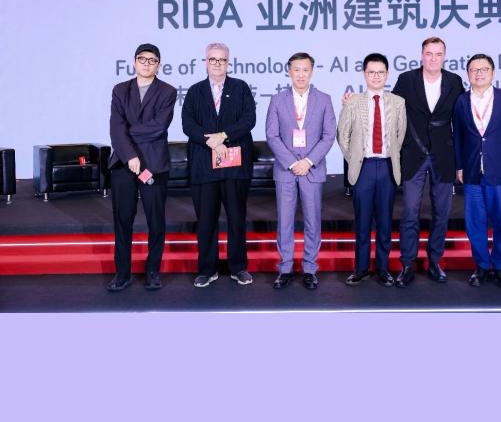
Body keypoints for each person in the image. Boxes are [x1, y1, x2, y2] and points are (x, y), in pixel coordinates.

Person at [391, 36, 464, 287]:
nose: (433, 58)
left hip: (444, 154)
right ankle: (407, 264)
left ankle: (435, 261)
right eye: (429, 54)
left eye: (438, 54)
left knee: (441, 212)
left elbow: (464, 114)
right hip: (414, 153)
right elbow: (391, 110)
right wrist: (356, 102)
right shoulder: (406, 80)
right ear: (421, 55)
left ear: (444, 56)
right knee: (410, 212)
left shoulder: (454, 81)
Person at [182, 42, 256, 288]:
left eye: (222, 60)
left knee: (236, 218)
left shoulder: (240, 87)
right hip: (204, 164)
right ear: (206, 62)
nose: (217, 64)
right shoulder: (195, 91)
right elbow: (188, 124)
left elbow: (249, 119)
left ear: (228, 62)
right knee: (206, 220)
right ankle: (207, 269)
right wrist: (211, 142)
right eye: (212, 59)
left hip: (235, 164)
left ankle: (238, 267)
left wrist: (223, 136)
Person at [107, 43, 176, 291]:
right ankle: (122, 273)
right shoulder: (120, 90)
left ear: (159, 65)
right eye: (142, 59)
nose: (147, 64)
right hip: (123, 163)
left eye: (152, 60)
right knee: (122, 219)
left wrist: (127, 136)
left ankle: (153, 271)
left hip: (154, 164)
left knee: (155, 220)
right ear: (134, 62)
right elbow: (115, 128)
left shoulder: (167, 91)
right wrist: (129, 156)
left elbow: (158, 126)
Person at [453, 54, 501, 288]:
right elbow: (458, 137)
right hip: (472, 171)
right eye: (474, 70)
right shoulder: (461, 101)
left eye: (484, 69)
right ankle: (482, 266)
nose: (479, 73)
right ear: (468, 74)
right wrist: (459, 166)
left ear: (493, 73)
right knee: (475, 223)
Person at [265, 52, 336, 290]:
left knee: (313, 221)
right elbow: (272, 135)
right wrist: (292, 163)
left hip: (312, 170)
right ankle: (285, 268)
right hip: (286, 170)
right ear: (289, 71)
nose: (301, 74)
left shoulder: (324, 99)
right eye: (296, 69)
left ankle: (310, 269)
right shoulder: (277, 100)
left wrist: (308, 161)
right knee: (285, 221)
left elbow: (329, 135)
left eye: (305, 70)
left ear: (312, 72)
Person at [337, 53, 407, 286]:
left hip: (387, 166)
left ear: (387, 74)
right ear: (364, 74)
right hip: (363, 167)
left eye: (380, 72)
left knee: (385, 222)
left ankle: (383, 269)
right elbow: (342, 135)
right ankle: (360, 268)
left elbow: (400, 134)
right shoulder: (353, 101)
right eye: (371, 72)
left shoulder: (398, 102)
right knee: (363, 221)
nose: (376, 76)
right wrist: (354, 159)